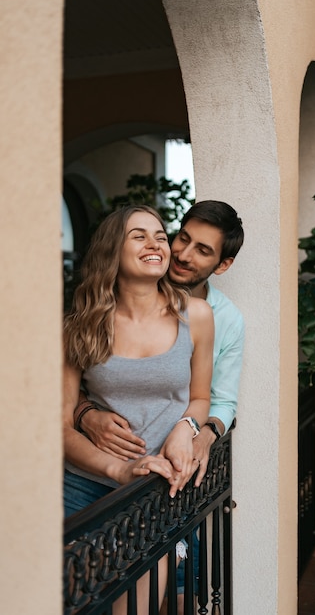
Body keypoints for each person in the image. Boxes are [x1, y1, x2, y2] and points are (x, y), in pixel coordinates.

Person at [74, 200, 245, 608]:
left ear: (221, 265)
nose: (182, 253)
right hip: (90, 475)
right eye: (182, 238)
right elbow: (63, 407)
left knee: (168, 593)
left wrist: (194, 434)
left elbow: (214, 399)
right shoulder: (85, 320)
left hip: (161, 480)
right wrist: (88, 415)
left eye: (202, 250)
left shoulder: (215, 317)